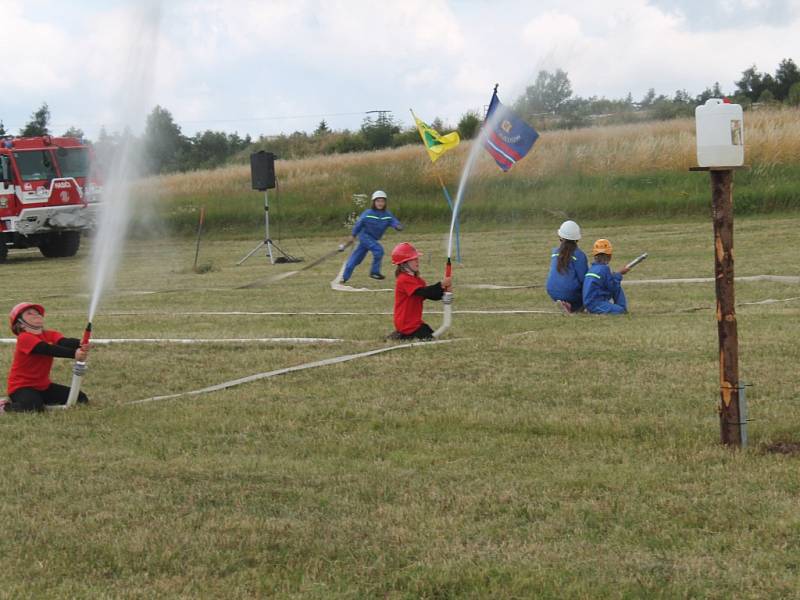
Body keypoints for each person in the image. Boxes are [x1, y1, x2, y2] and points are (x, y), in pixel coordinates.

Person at [6, 302, 90, 412]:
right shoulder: (24, 338)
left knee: (80, 398)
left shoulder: (50, 334)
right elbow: (46, 349)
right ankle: (5, 407)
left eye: (37, 313)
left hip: (44, 386)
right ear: (20, 324)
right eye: (29, 313)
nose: (36, 314)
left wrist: (81, 343)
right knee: (34, 407)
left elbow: (63, 342)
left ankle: (39, 400)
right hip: (21, 387)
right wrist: (74, 354)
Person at [388, 242, 452, 340]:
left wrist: (444, 291)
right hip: (407, 325)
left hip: (416, 324)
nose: (417, 261)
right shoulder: (403, 279)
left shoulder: (418, 280)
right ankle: (400, 335)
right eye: (413, 259)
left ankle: (399, 336)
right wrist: (441, 284)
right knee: (429, 338)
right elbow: (424, 292)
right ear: (404, 263)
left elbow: (432, 295)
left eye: (417, 258)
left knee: (430, 334)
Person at [340, 190, 403, 283]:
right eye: (378, 201)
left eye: (382, 201)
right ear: (373, 202)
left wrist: (398, 226)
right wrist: (353, 235)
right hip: (364, 236)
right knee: (378, 250)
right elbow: (359, 224)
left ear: (385, 202)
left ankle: (344, 278)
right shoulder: (368, 213)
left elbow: (394, 221)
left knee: (356, 259)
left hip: (372, 239)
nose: (380, 203)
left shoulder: (387, 214)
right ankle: (374, 272)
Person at [545, 220, 588, 314]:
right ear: (577, 239)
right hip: (570, 293)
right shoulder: (580, 255)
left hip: (552, 291)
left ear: (560, 237)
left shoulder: (555, 252)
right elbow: (584, 280)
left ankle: (566, 304)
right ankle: (573, 307)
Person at [582, 239, 629, 315]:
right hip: (595, 304)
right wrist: (619, 275)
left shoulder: (592, 268)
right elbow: (612, 287)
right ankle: (622, 308)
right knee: (619, 311)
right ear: (610, 256)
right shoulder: (604, 269)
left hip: (590, 302)